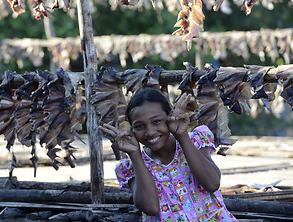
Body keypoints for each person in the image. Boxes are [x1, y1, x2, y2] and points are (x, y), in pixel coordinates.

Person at [99, 88, 237, 222]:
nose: (150, 132)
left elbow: (212, 183)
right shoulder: (130, 167)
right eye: (139, 126)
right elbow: (151, 208)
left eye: (156, 121)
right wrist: (134, 154)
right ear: (132, 129)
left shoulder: (195, 140)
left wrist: (181, 135)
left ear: (170, 117)